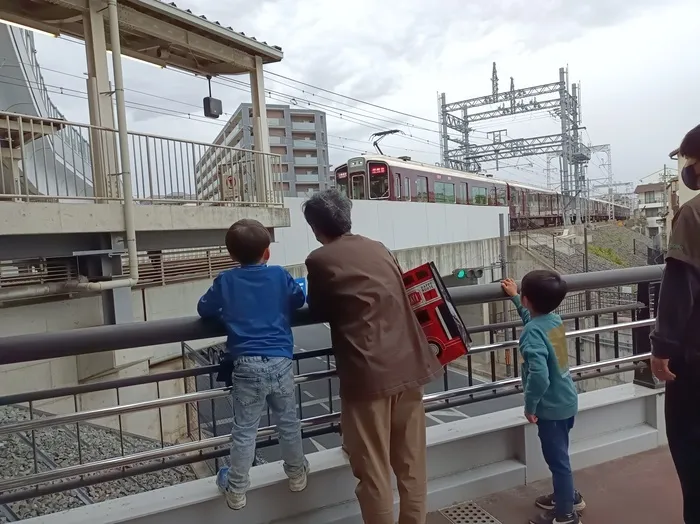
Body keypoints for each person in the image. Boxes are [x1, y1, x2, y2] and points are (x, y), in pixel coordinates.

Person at [302, 189, 442, 524]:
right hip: (409, 362)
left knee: (373, 469)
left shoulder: (319, 260)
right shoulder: (378, 247)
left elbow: (319, 307)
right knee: (411, 462)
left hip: (368, 374)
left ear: (315, 228)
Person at [197, 218, 308, 510]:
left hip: (245, 365)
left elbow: (204, 309)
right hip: (281, 361)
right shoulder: (279, 275)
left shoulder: (226, 280)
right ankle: (297, 475)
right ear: (267, 252)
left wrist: (230, 314)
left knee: (244, 430)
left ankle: (236, 490)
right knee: (288, 421)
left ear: (232, 256)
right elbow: (298, 300)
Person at [501, 273, 584, 524]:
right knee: (561, 454)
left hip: (550, 407)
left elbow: (539, 375)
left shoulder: (531, 334)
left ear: (528, 299)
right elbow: (532, 320)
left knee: (558, 462)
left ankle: (566, 514)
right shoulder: (553, 321)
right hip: (566, 399)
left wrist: (530, 405)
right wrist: (516, 298)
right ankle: (567, 496)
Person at [650, 123, 700, 523]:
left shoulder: (693, 213)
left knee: (690, 448)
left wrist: (662, 347)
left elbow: (680, 283)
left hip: (694, 360)